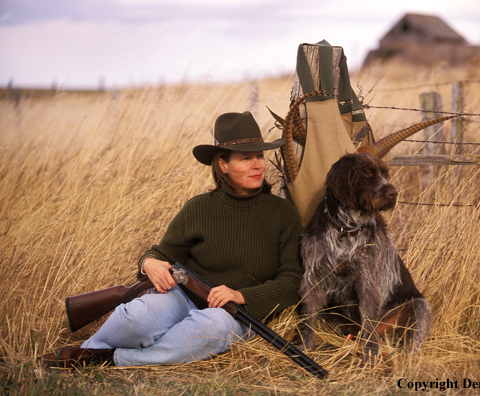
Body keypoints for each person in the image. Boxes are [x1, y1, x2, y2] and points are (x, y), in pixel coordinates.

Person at [43, 111, 303, 367]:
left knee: (213, 326)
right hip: (185, 299)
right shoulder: (198, 208)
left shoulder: (282, 213)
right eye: (246, 158)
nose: (258, 165)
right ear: (223, 164)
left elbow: (291, 280)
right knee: (136, 318)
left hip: (238, 316)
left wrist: (241, 295)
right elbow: (159, 255)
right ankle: (87, 349)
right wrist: (149, 264)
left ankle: (109, 358)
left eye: (260, 156)